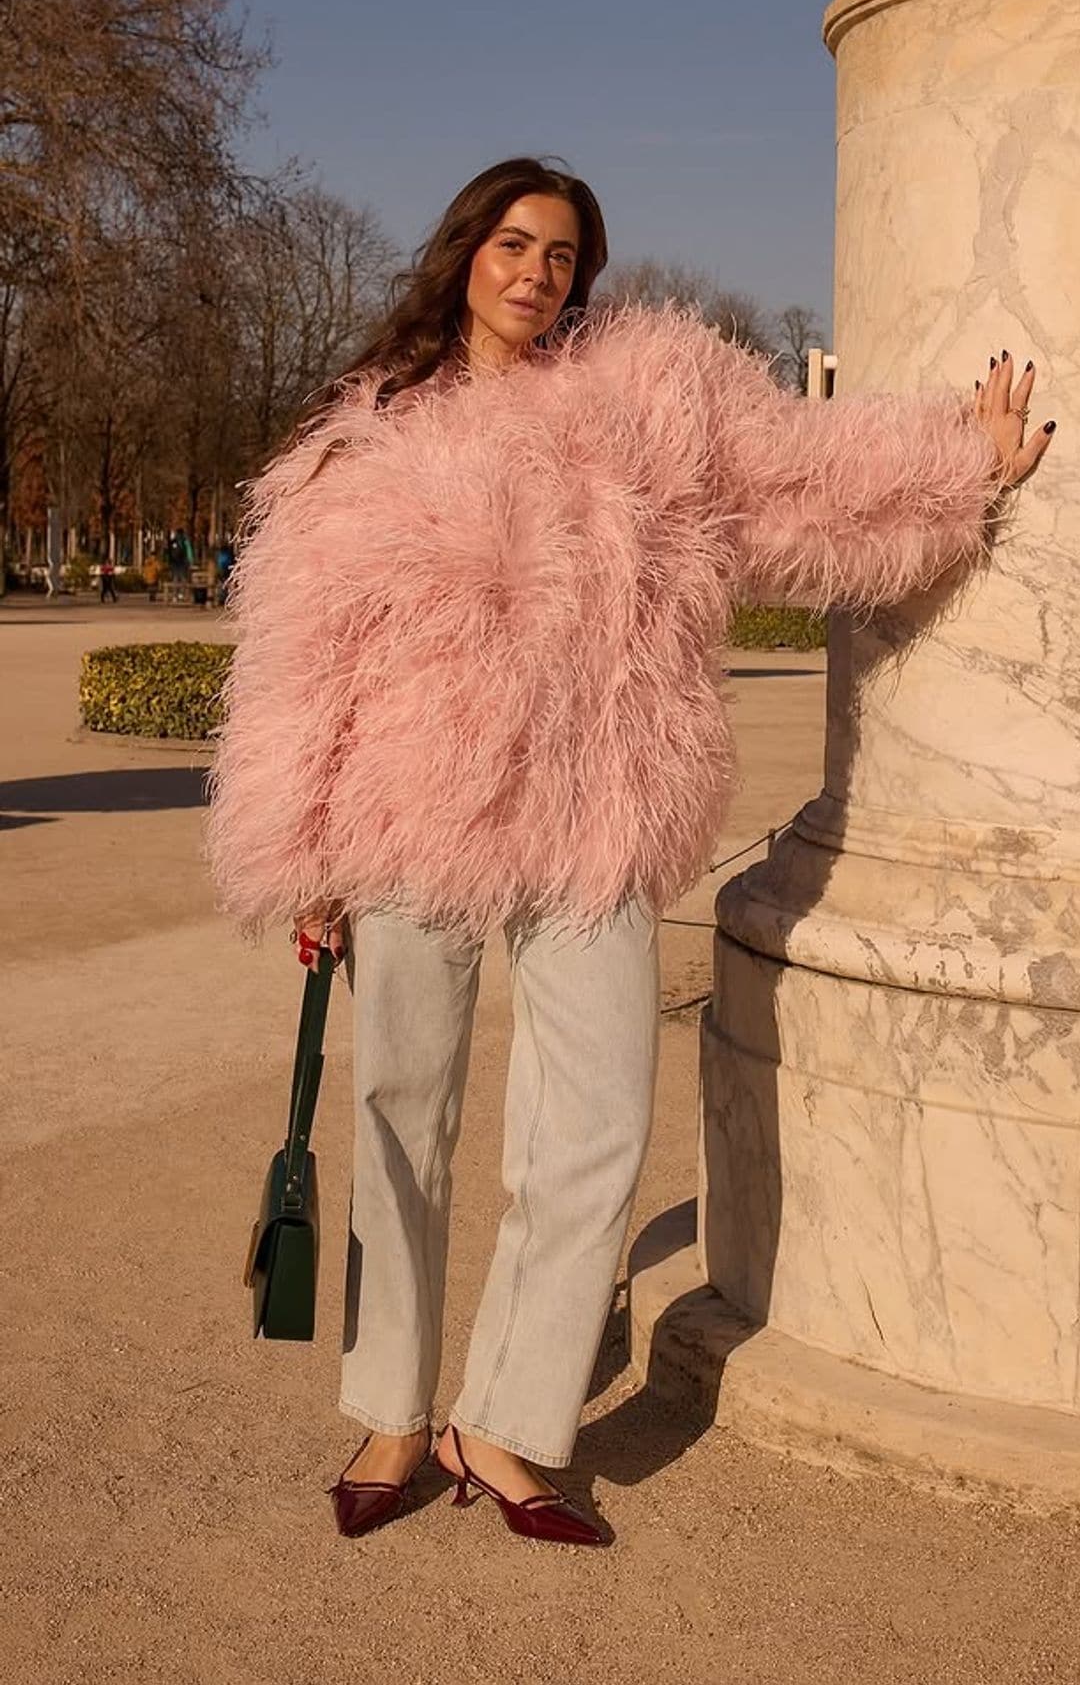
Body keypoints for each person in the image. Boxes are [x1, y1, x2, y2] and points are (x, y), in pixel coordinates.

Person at [206, 156, 1055, 1547]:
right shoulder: (361, 441)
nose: (537, 272)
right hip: (411, 822)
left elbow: (799, 473)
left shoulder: (645, 395)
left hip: (601, 808)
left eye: (563, 255)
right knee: (395, 1118)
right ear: (465, 250)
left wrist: (964, 458)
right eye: (515, 244)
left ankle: (510, 1422)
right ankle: (394, 1413)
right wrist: (300, 850)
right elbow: (304, 666)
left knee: (596, 1121)